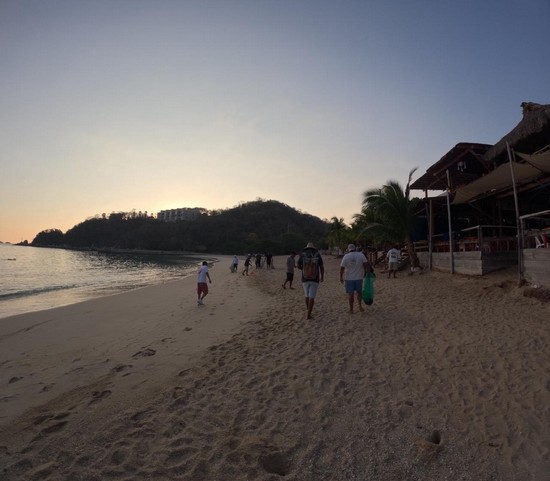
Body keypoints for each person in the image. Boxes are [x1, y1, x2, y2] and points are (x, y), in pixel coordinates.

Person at [339, 243, 371, 314]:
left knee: (351, 294)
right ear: (355, 248)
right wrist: (368, 274)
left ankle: (351, 309)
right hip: (359, 278)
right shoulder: (361, 255)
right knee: (359, 293)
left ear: (348, 249)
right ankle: (360, 306)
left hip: (349, 278)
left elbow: (342, 268)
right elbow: (367, 265)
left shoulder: (346, 256)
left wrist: (341, 277)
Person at [297, 242, 324, 319]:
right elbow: (321, 266)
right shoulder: (317, 254)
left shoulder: (302, 254)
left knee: (307, 296)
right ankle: (309, 314)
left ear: (307, 247)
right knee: (312, 297)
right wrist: (322, 276)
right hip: (315, 278)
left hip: (305, 278)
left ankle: (308, 310)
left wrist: (304, 269)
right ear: (313, 248)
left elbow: (298, 265)